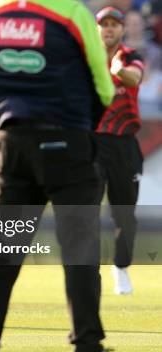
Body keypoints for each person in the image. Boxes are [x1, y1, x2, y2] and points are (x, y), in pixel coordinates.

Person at [0, 1, 115, 352]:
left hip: (12, 139)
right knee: (79, 248)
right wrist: (82, 125)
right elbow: (105, 88)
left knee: (3, 248)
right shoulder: (72, 12)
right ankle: (87, 341)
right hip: (68, 142)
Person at [95, 7, 145, 295]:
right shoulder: (87, 58)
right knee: (85, 211)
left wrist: (118, 70)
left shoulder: (130, 56)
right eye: (105, 25)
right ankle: (89, 273)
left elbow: (134, 79)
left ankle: (121, 267)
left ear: (123, 29)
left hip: (124, 144)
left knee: (124, 215)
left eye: (115, 24)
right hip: (93, 142)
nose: (109, 29)